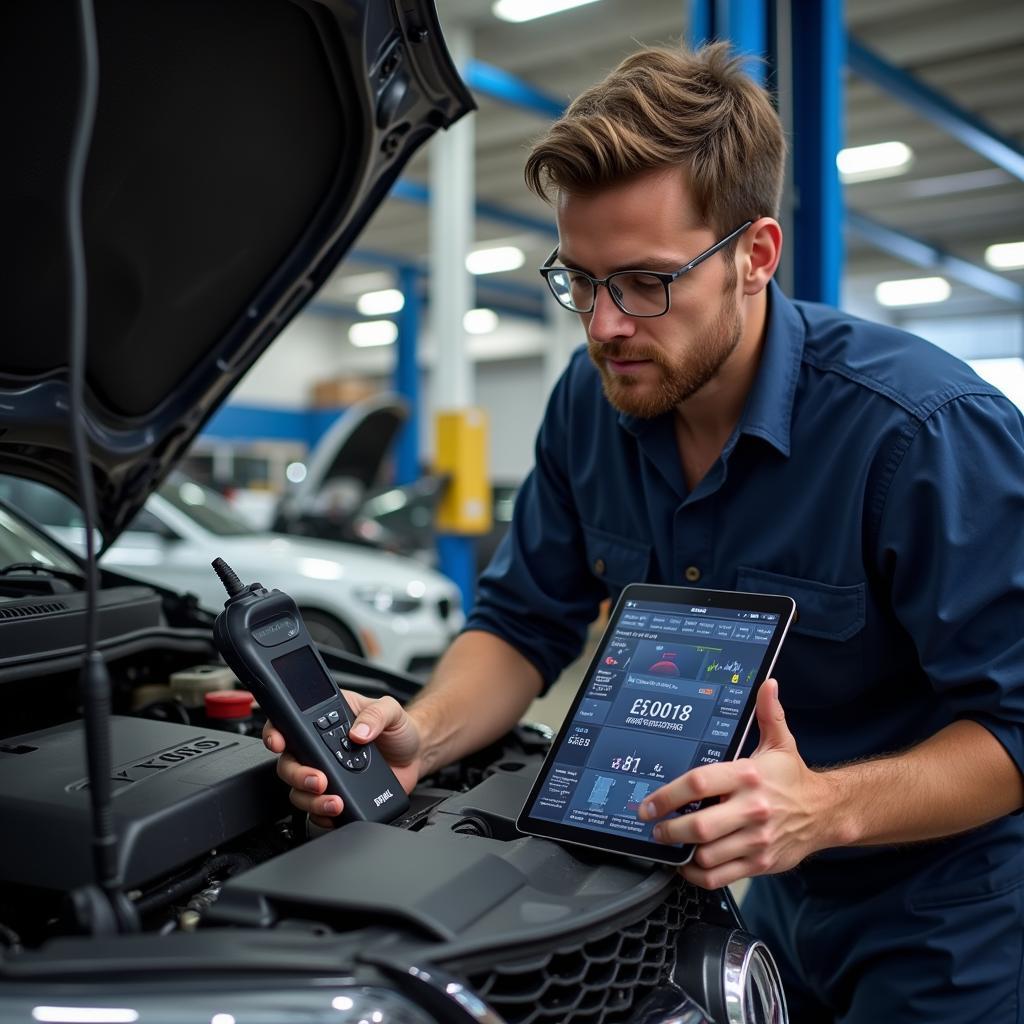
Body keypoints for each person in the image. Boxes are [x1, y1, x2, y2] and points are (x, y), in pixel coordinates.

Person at [264, 43, 1024, 1022]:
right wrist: (425, 734)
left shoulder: (919, 434)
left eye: (645, 283)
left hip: (951, 921)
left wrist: (822, 806)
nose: (604, 325)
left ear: (754, 256)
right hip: (768, 889)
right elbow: (522, 619)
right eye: (578, 280)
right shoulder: (591, 406)